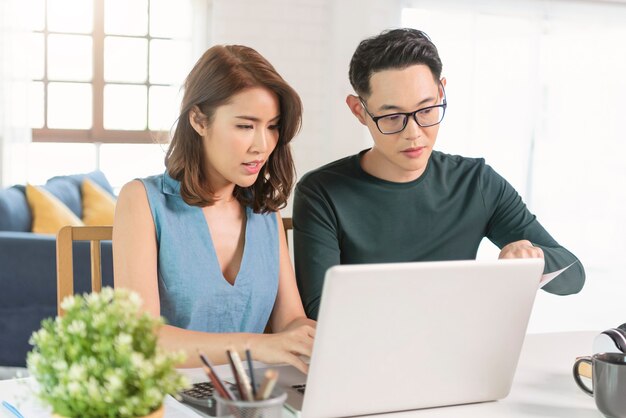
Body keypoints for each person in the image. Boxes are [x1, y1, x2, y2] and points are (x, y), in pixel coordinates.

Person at [293, 28, 585, 320]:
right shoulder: (322, 193)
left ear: (441, 92)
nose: (414, 133)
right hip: (367, 355)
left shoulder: (477, 183)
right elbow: (320, 311)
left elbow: (574, 277)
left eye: (426, 110)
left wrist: (535, 258)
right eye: (392, 117)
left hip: (458, 351)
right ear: (359, 110)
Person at [113, 45, 315, 373]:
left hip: (248, 394)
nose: (262, 145)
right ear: (199, 120)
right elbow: (143, 339)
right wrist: (259, 347)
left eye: (272, 126)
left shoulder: (265, 211)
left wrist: (316, 337)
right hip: (166, 396)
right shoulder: (141, 200)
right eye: (245, 126)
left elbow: (289, 320)